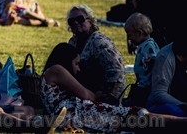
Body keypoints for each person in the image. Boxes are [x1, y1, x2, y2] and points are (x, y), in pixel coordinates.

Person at [42, 43, 187, 132]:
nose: (78, 69)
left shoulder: (51, 74)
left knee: (136, 117)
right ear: (66, 60)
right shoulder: (57, 70)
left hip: (74, 116)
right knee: (136, 115)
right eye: (76, 63)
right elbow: (87, 96)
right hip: (75, 114)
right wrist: (94, 94)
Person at [66, 5, 125, 104]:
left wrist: (107, 95)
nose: (75, 22)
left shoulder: (99, 42)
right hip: (85, 94)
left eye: (80, 19)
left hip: (103, 97)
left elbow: (116, 71)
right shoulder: (73, 42)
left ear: (90, 21)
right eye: (71, 21)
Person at [124, 13, 159, 107]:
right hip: (142, 83)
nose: (129, 39)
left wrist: (149, 61)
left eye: (130, 35)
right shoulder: (144, 45)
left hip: (147, 87)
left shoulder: (149, 45)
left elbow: (154, 60)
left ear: (139, 33)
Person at [148, 34, 187, 116]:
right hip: (164, 105)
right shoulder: (165, 57)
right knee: (175, 111)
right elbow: (158, 94)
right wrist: (183, 105)